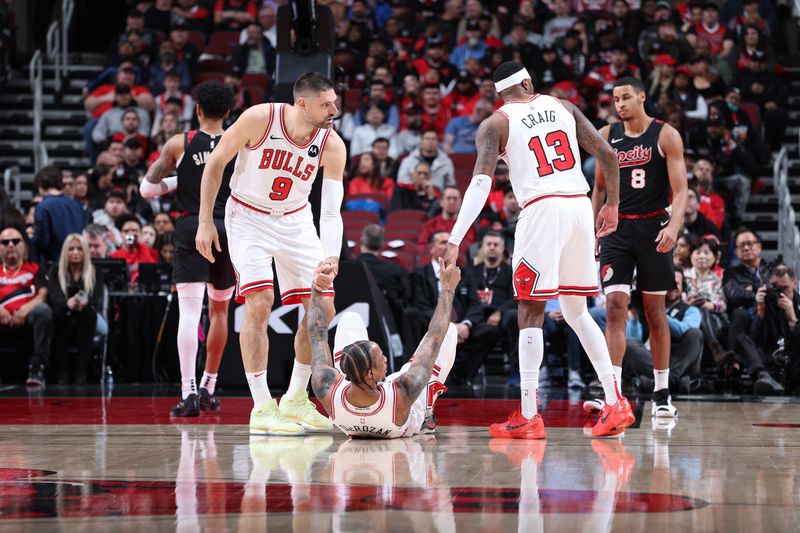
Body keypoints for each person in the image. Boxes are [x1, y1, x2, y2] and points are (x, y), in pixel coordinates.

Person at [443, 62, 632, 439]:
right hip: (580, 206)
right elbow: (609, 155)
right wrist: (612, 204)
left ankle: (529, 414)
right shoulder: (564, 106)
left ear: (500, 94)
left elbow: (480, 185)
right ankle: (615, 401)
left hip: (542, 210)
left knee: (529, 311)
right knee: (577, 311)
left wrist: (455, 237)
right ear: (529, 82)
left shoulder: (495, 123)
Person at [196, 72, 346, 436]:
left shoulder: (333, 144)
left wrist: (332, 256)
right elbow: (215, 164)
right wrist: (205, 220)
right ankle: (262, 406)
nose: (334, 110)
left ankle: (294, 398)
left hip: (295, 220)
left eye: (335, 103)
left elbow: (330, 209)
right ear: (303, 104)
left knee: (323, 308)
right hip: (247, 216)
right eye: (327, 104)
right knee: (260, 302)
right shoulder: (259, 119)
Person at [589, 76, 688, 419]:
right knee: (614, 307)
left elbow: (682, 189)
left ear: (642, 97)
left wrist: (674, 226)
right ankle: (612, 393)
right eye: (616, 99)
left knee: (654, 312)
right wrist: (594, 231)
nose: (620, 105)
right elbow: (598, 189)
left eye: (626, 98)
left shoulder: (666, 134)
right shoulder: (606, 135)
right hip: (617, 228)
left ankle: (662, 392)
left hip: (653, 228)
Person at [141, 81, 239, 416]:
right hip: (229, 228)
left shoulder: (179, 142)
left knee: (188, 313)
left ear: (197, 110)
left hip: (191, 227)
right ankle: (210, 387)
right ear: (228, 112)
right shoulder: (239, 142)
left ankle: (189, 393)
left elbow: (146, 189)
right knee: (220, 311)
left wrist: (177, 181)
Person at [307, 258, 459, 438]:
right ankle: (426, 415)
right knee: (449, 330)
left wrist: (316, 288)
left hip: (360, 387)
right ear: (371, 374)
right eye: (381, 358)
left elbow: (317, 335)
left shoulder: (327, 387)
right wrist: (448, 289)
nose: (386, 358)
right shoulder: (403, 392)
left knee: (350, 318)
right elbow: (435, 338)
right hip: (407, 410)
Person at [625, 269, 705, 393]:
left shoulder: (691, 310)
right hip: (654, 360)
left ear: (683, 287)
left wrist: (659, 315)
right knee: (629, 343)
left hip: (679, 359)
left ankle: (664, 382)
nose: (672, 286)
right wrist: (634, 317)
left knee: (695, 334)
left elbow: (684, 330)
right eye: (669, 282)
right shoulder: (647, 310)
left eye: (677, 283)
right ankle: (672, 383)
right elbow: (636, 340)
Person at [47, 234, 105, 384]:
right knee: (59, 314)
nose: (75, 252)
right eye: (71, 249)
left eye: (79, 248)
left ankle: (82, 371)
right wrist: (67, 302)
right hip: (64, 313)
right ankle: (62, 371)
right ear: (65, 252)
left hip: (87, 314)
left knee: (90, 315)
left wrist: (86, 302)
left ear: (85, 251)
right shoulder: (55, 271)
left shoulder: (95, 271)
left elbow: (97, 299)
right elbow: (54, 297)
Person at [0, 227, 52, 387]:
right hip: (1, 317)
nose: (10, 245)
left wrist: (24, 310)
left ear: (24, 245)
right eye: (5, 242)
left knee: (44, 311)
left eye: (15, 241)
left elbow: (43, 294)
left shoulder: (35, 268)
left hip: (28, 317)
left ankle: (37, 368)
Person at [31, 165, 86, 263]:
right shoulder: (77, 205)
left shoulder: (43, 207)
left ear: (40, 185)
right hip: (77, 259)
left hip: (54, 263)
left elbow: (42, 241)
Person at [110, 215, 158, 285]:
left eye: (134, 230)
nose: (130, 234)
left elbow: (152, 271)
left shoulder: (152, 253)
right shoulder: (113, 256)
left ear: (141, 234)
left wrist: (141, 244)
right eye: (126, 231)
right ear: (121, 235)